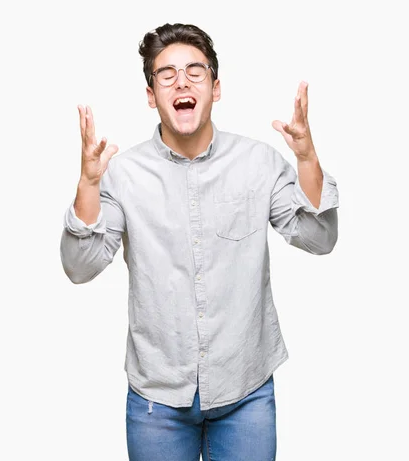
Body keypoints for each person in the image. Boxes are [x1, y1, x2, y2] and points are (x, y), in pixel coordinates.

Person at [60, 22, 339, 461]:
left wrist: (307, 159)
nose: (182, 81)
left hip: (245, 392)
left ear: (216, 86)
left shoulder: (258, 162)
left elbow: (320, 238)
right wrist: (88, 185)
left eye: (195, 70)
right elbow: (80, 266)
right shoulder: (121, 174)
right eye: (166, 74)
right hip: (157, 402)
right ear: (152, 95)